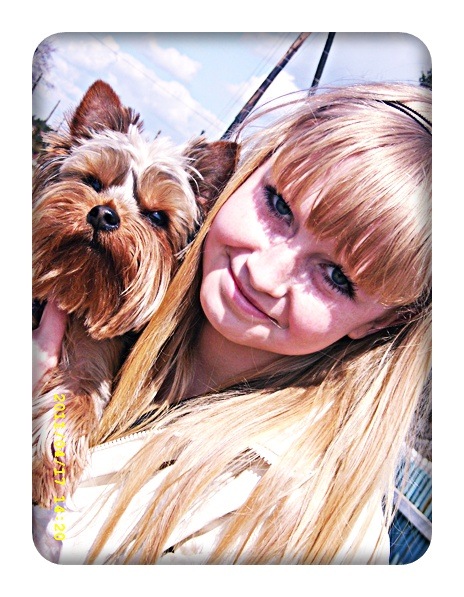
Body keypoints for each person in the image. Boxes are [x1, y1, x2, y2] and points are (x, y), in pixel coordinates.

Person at [32, 82, 431, 565]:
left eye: (336, 277)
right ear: (244, 177)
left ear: (383, 321)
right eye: (278, 206)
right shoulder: (108, 323)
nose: (264, 274)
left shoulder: (311, 532)